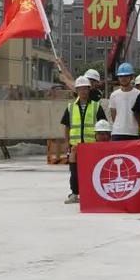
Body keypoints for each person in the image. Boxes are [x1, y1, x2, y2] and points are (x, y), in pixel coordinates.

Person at [61, 76, 106, 204]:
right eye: (80, 89)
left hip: (91, 146)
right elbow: (67, 126)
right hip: (75, 146)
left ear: (89, 89)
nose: (83, 91)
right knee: (74, 171)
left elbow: (103, 125)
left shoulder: (96, 106)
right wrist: (66, 142)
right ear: (76, 90)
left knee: (92, 171)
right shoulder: (70, 107)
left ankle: (92, 193)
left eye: (85, 89)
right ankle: (75, 194)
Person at [108, 62, 140, 141]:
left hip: (133, 133)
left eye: (126, 76)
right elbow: (113, 115)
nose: (123, 78)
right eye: (121, 76)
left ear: (131, 77)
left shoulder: (138, 94)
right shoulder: (114, 95)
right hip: (117, 133)